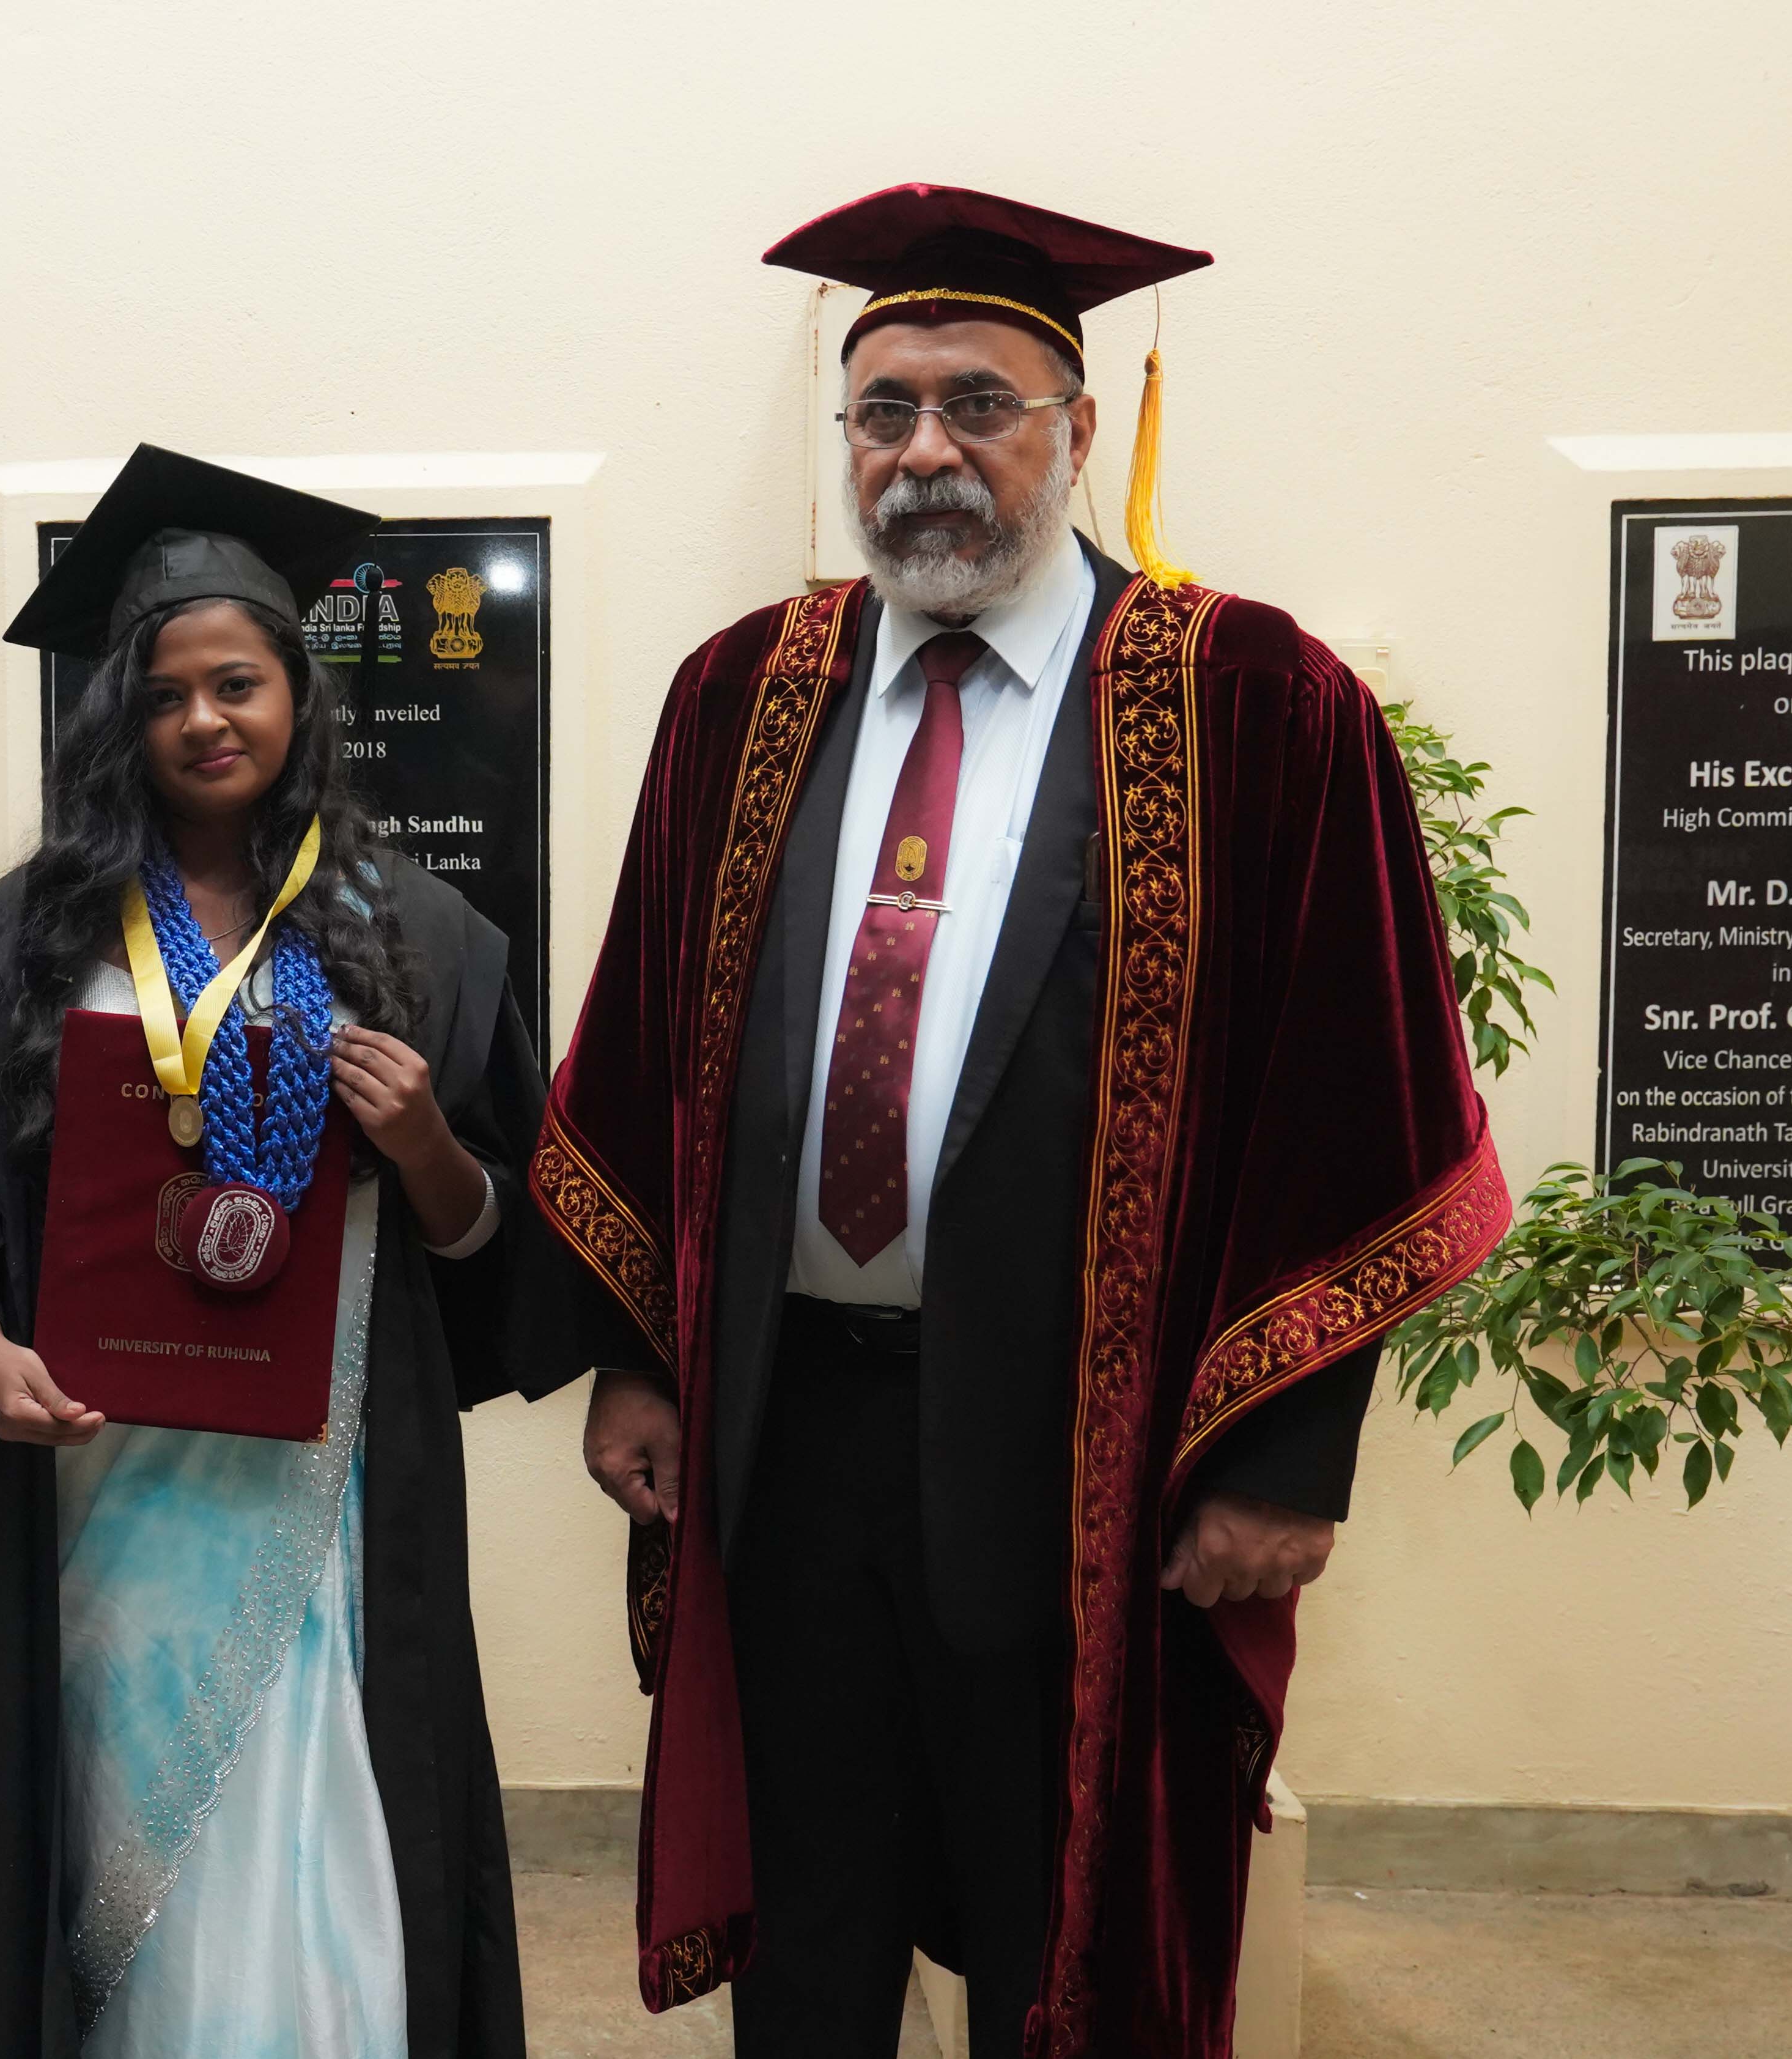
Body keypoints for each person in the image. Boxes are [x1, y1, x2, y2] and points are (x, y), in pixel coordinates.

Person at [525, 186, 1508, 2058]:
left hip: (1095, 1468)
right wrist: (636, 1358)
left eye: (978, 404)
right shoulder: (744, 695)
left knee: (1067, 1948)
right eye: (883, 411)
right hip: (787, 1440)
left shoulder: (1255, 705)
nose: (925, 453)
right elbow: (648, 1043)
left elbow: (1355, 1096)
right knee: (809, 1941)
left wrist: (1285, 1454)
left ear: (1076, 424)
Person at [0, 446, 541, 2058]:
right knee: (120, 1827)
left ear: (299, 697)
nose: (204, 721)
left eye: (238, 684)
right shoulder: (18, 951)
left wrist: (425, 1147)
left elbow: (498, 1233)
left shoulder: (422, 940)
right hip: (107, 1483)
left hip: (329, 1486)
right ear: (122, 720)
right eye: (164, 696)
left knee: (330, 1819)